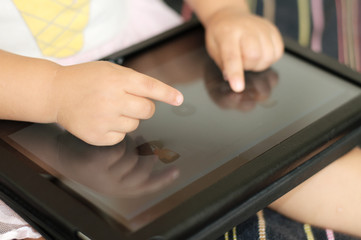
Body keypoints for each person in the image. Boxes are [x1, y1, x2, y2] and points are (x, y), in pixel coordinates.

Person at [1, 0, 359, 240]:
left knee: (270, 157)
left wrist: (225, 13)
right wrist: (53, 92)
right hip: (22, 100)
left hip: (140, 49)